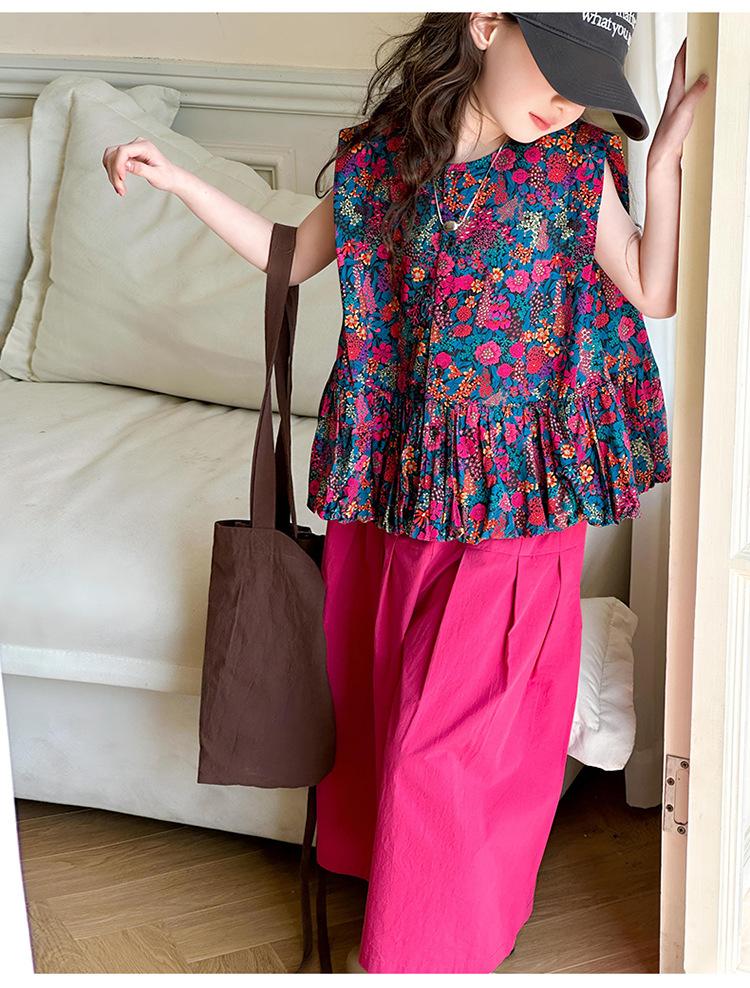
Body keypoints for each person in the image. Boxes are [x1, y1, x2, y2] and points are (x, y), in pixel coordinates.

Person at [102, 11, 708, 974]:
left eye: (585, 87)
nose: (566, 102)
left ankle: (410, 958)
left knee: (451, 740)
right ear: (486, 23)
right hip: (402, 483)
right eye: (554, 70)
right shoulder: (381, 161)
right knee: (386, 701)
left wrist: (664, 161)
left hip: (518, 503)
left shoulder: (572, 167)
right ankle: (421, 907)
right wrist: (180, 181)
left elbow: (651, 286)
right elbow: (291, 255)